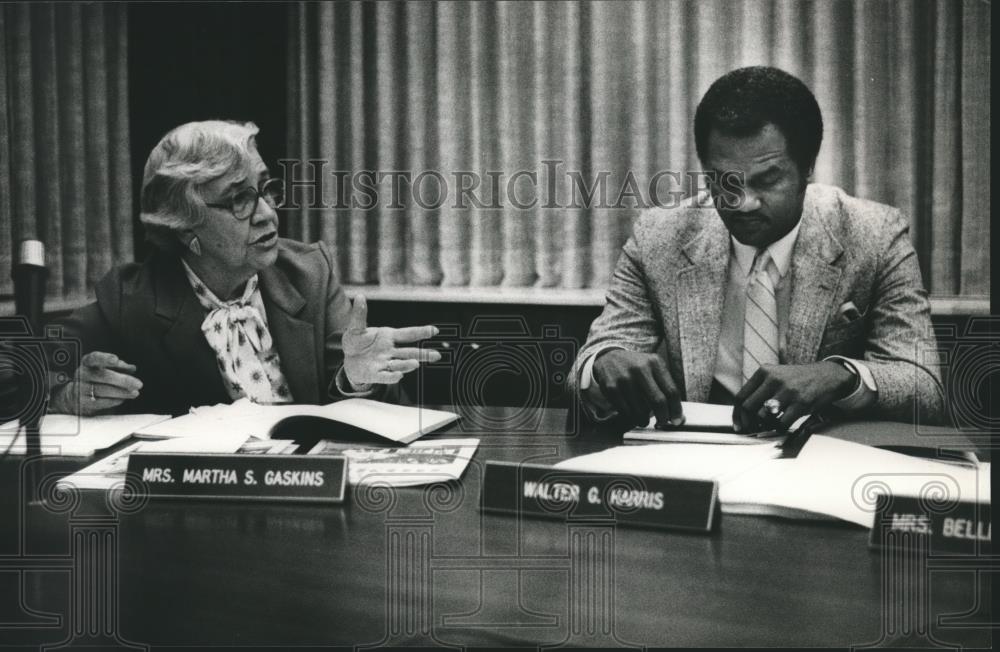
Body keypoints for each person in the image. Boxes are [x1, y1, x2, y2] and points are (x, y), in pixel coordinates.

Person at [572, 66, 944, 431]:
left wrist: (839, 376)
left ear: (808, 167)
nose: (743, 203)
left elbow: (924, 386)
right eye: (724, 182)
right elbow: (591, 363)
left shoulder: (876, 236)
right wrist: (604, 362)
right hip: (697, 463)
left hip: (820, 468)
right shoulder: (660, 237)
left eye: (768, 180)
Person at [48, 120, 439, 416]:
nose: (267, 214)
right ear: (184, 224)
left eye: (266, 189)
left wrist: (356, 379)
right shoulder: (130, 299)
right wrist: (65, 396)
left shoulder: (308, 272)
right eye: (239, 200)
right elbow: (20, 374)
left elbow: (369, 415)